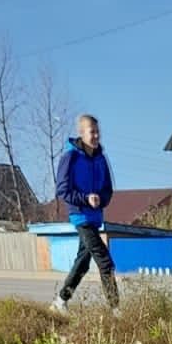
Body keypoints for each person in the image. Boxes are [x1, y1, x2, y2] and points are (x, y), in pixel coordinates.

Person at [52, 114, 118, 313]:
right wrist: (85, 199)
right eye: (92, 132)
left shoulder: (100, 158)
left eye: (98, 131)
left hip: (95, 217)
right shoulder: (70, 157)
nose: (96, 135)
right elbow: (62, 190)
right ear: (81, 133)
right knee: (105, 261)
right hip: (80, 216)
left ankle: (60, 301)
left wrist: (100, 199)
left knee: (82, 263)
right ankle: (116, 310)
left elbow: (108, 188)